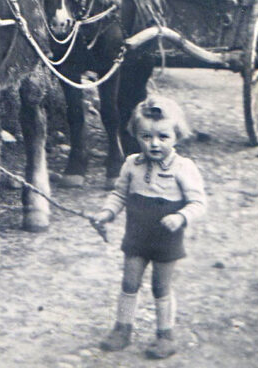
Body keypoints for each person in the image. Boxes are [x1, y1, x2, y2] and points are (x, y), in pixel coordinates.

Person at [91, 95, 207, 359]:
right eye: (146, 137)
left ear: (177, 136)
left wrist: (181, 217)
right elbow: (119, 194)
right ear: (136, 135)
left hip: (166, 239)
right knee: (129, 281)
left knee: (160, 286)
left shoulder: (183, 168)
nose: (154, 144)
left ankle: (165, 334)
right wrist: (107, 212)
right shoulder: (132, 164)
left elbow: (199, 203)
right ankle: (123, 328)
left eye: (163, 137)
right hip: (137, 235)